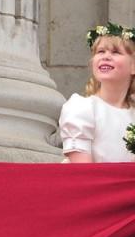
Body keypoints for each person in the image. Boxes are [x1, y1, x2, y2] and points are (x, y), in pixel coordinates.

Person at [58, 23, 135, 162]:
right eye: (100, 51)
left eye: (116, 52)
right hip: (92, 182)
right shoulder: (82, 108)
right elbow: (84, 174)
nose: (106, 56)